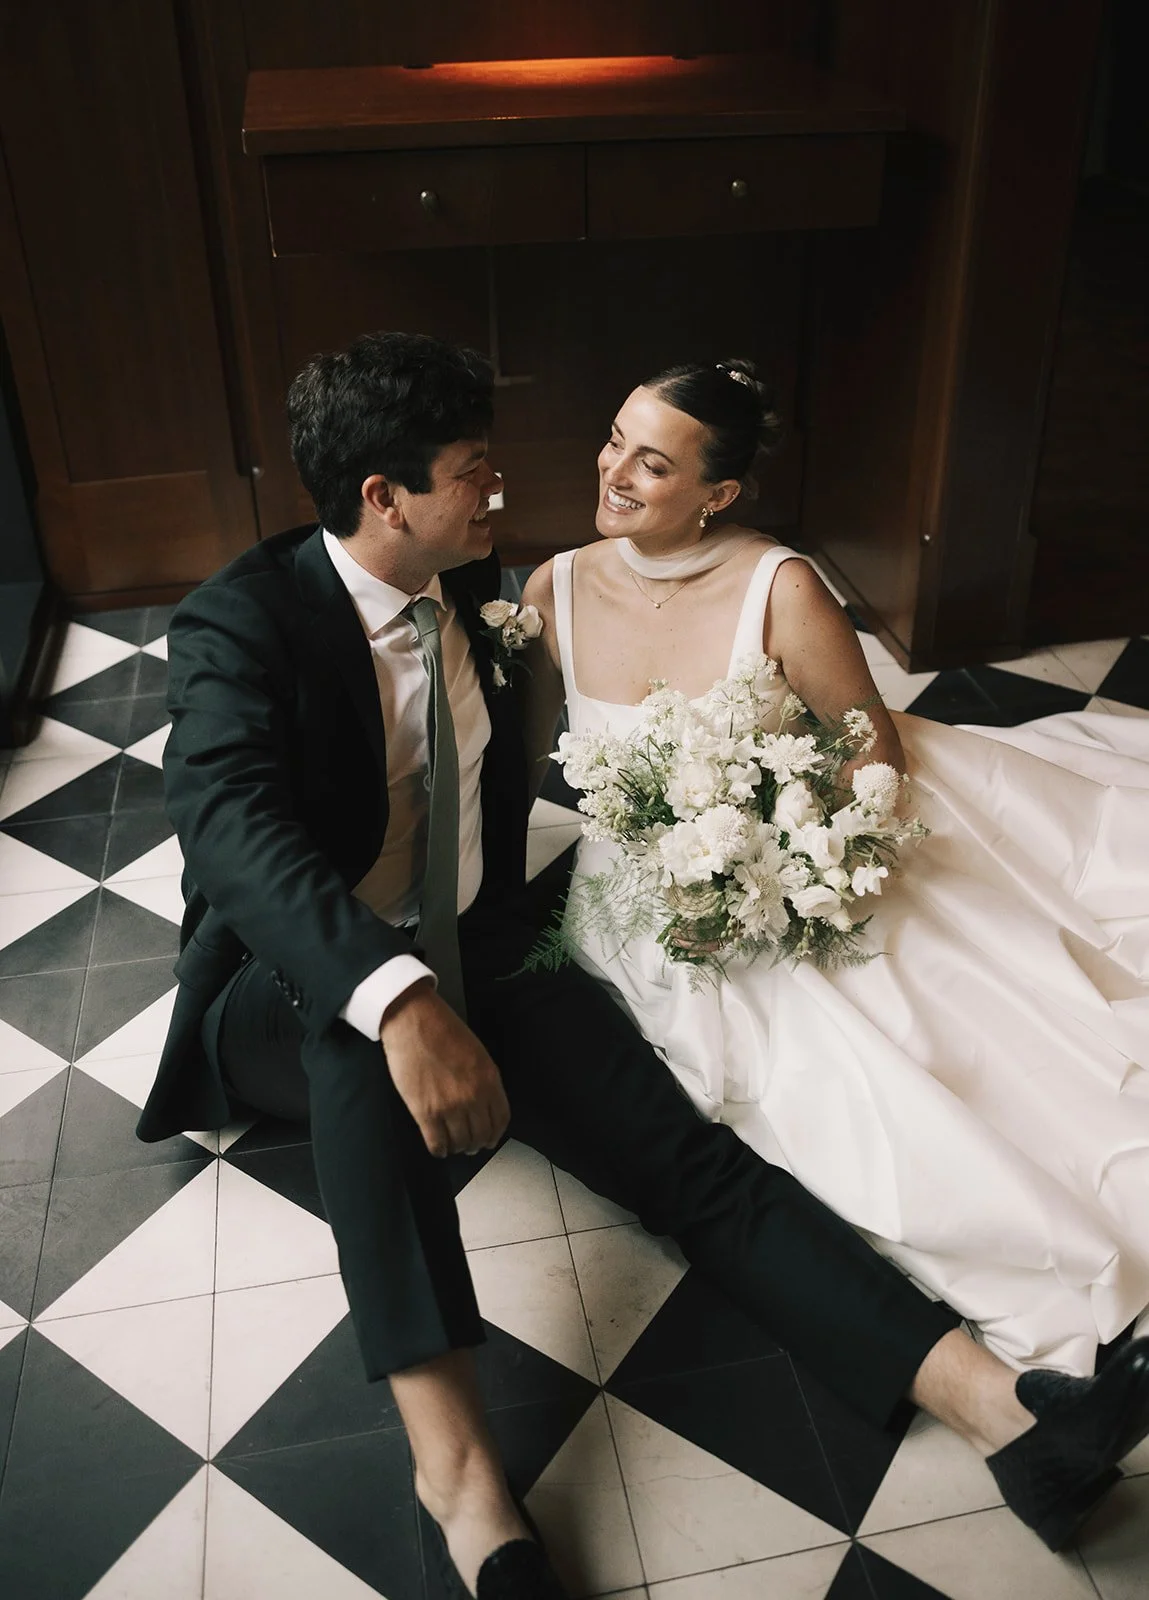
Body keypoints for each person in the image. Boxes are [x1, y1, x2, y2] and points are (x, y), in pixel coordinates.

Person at [137, 335, 1147, 1596]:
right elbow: (232, 831)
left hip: (483, 939)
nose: (500, 492)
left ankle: (1007, 1410)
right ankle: (463, 1488)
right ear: (382, 498)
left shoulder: (485, 578)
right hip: (291, 979)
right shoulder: (240, 619)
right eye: (469, 473)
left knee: (679, 1149)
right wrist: (398, 1000)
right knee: (362, 1067)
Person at [523, 355, 1149, 1533]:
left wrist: (805, 876)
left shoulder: (782, 584)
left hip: (802, 841)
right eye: (613, 440)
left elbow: (872, 753)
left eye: (652, 462)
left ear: (719, 493)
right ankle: (1025, 1370)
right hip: (646, 888)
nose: (614, 471)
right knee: (791, 1085)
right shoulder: (553, 582)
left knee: (935, 1014)